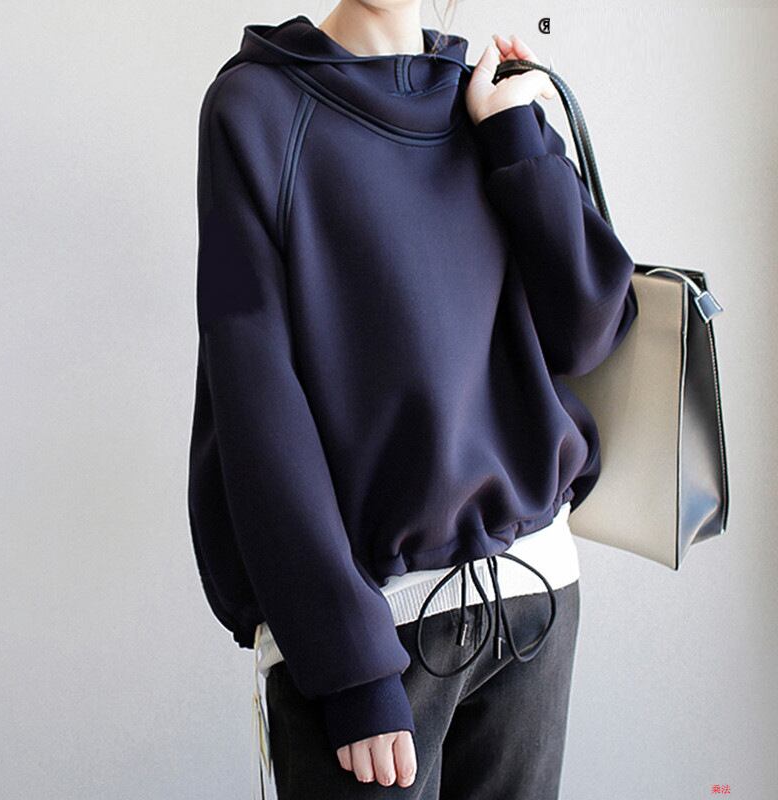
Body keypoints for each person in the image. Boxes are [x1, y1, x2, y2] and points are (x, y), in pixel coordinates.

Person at [187, 2, 638, 797]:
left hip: (532, 599)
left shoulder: (487, 99)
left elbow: (589, 331)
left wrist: (515, 138)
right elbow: (255, 401)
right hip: (372, 630)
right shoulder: (254, 109)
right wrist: (349, 668)